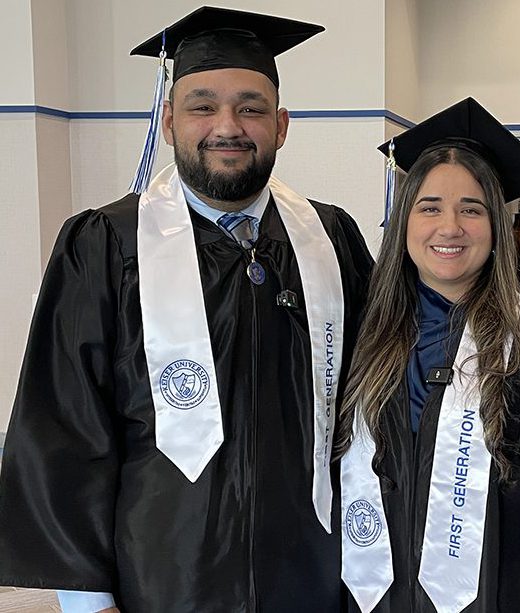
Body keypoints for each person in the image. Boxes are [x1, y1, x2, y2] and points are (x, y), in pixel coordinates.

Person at [0, 7, 373, 613]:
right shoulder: (105, 245)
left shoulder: (330, 240)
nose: (227, 126)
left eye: (251, 108)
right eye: (203, 106)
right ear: (170, 120)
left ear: (281, 125)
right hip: (163, 576)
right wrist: (87, 601)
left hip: (311, 569)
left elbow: (375, 396)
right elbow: (63, 427)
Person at [336, 98, 520, 613]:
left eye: (472, 209)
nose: (450, 227)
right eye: (430, 207)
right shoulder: (366, 337)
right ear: (403, 221)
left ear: (496, 228)